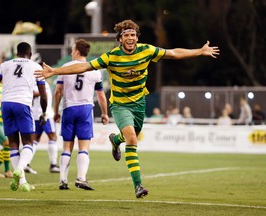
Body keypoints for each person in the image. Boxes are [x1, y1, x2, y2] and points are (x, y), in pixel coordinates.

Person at [35, 19, 219, 198]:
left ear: (137, 38)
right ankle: (138, 185)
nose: (130, 38)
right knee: (132, 139)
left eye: (133, 34)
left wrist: (199, 51)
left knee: (130, 137)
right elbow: (84, 66)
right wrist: (55, 71)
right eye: (126, 35)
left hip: (139, 104)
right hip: (120, 105)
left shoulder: (147, 50)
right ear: (120, 39)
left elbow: (174, 53)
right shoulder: (112, 57)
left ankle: (115, 140)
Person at [0, 42, 47, 192]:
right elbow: (43, 94)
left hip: (6, 104)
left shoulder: (5, 65)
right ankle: (21, 168)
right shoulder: (35, 66)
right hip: (22, 104)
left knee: (13, 143)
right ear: (29, 53)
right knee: (29, 141)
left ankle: (21, 183)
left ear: (17, 53)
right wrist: (44, 111)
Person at [53, 39, 109, 191]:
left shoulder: (64, 68)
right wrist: (104, 113)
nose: (71, 52)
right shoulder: (95, 70)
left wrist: (55, 111)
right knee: (84, 146)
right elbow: (101, 95)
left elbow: (58, 91)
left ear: (77, 51)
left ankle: (63, 180)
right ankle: (81, 178)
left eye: (72, 50)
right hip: (85, 109)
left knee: (67, 147)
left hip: (69, 108)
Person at [24, 81, 60, 174]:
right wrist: (41, 92)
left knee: (35, 139)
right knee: (52, 137)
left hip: (36, 114)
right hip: (45, 115)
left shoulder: (34, 82)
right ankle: (53, 164)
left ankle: (26, 163)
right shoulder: (38, 83)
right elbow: (33, 93)